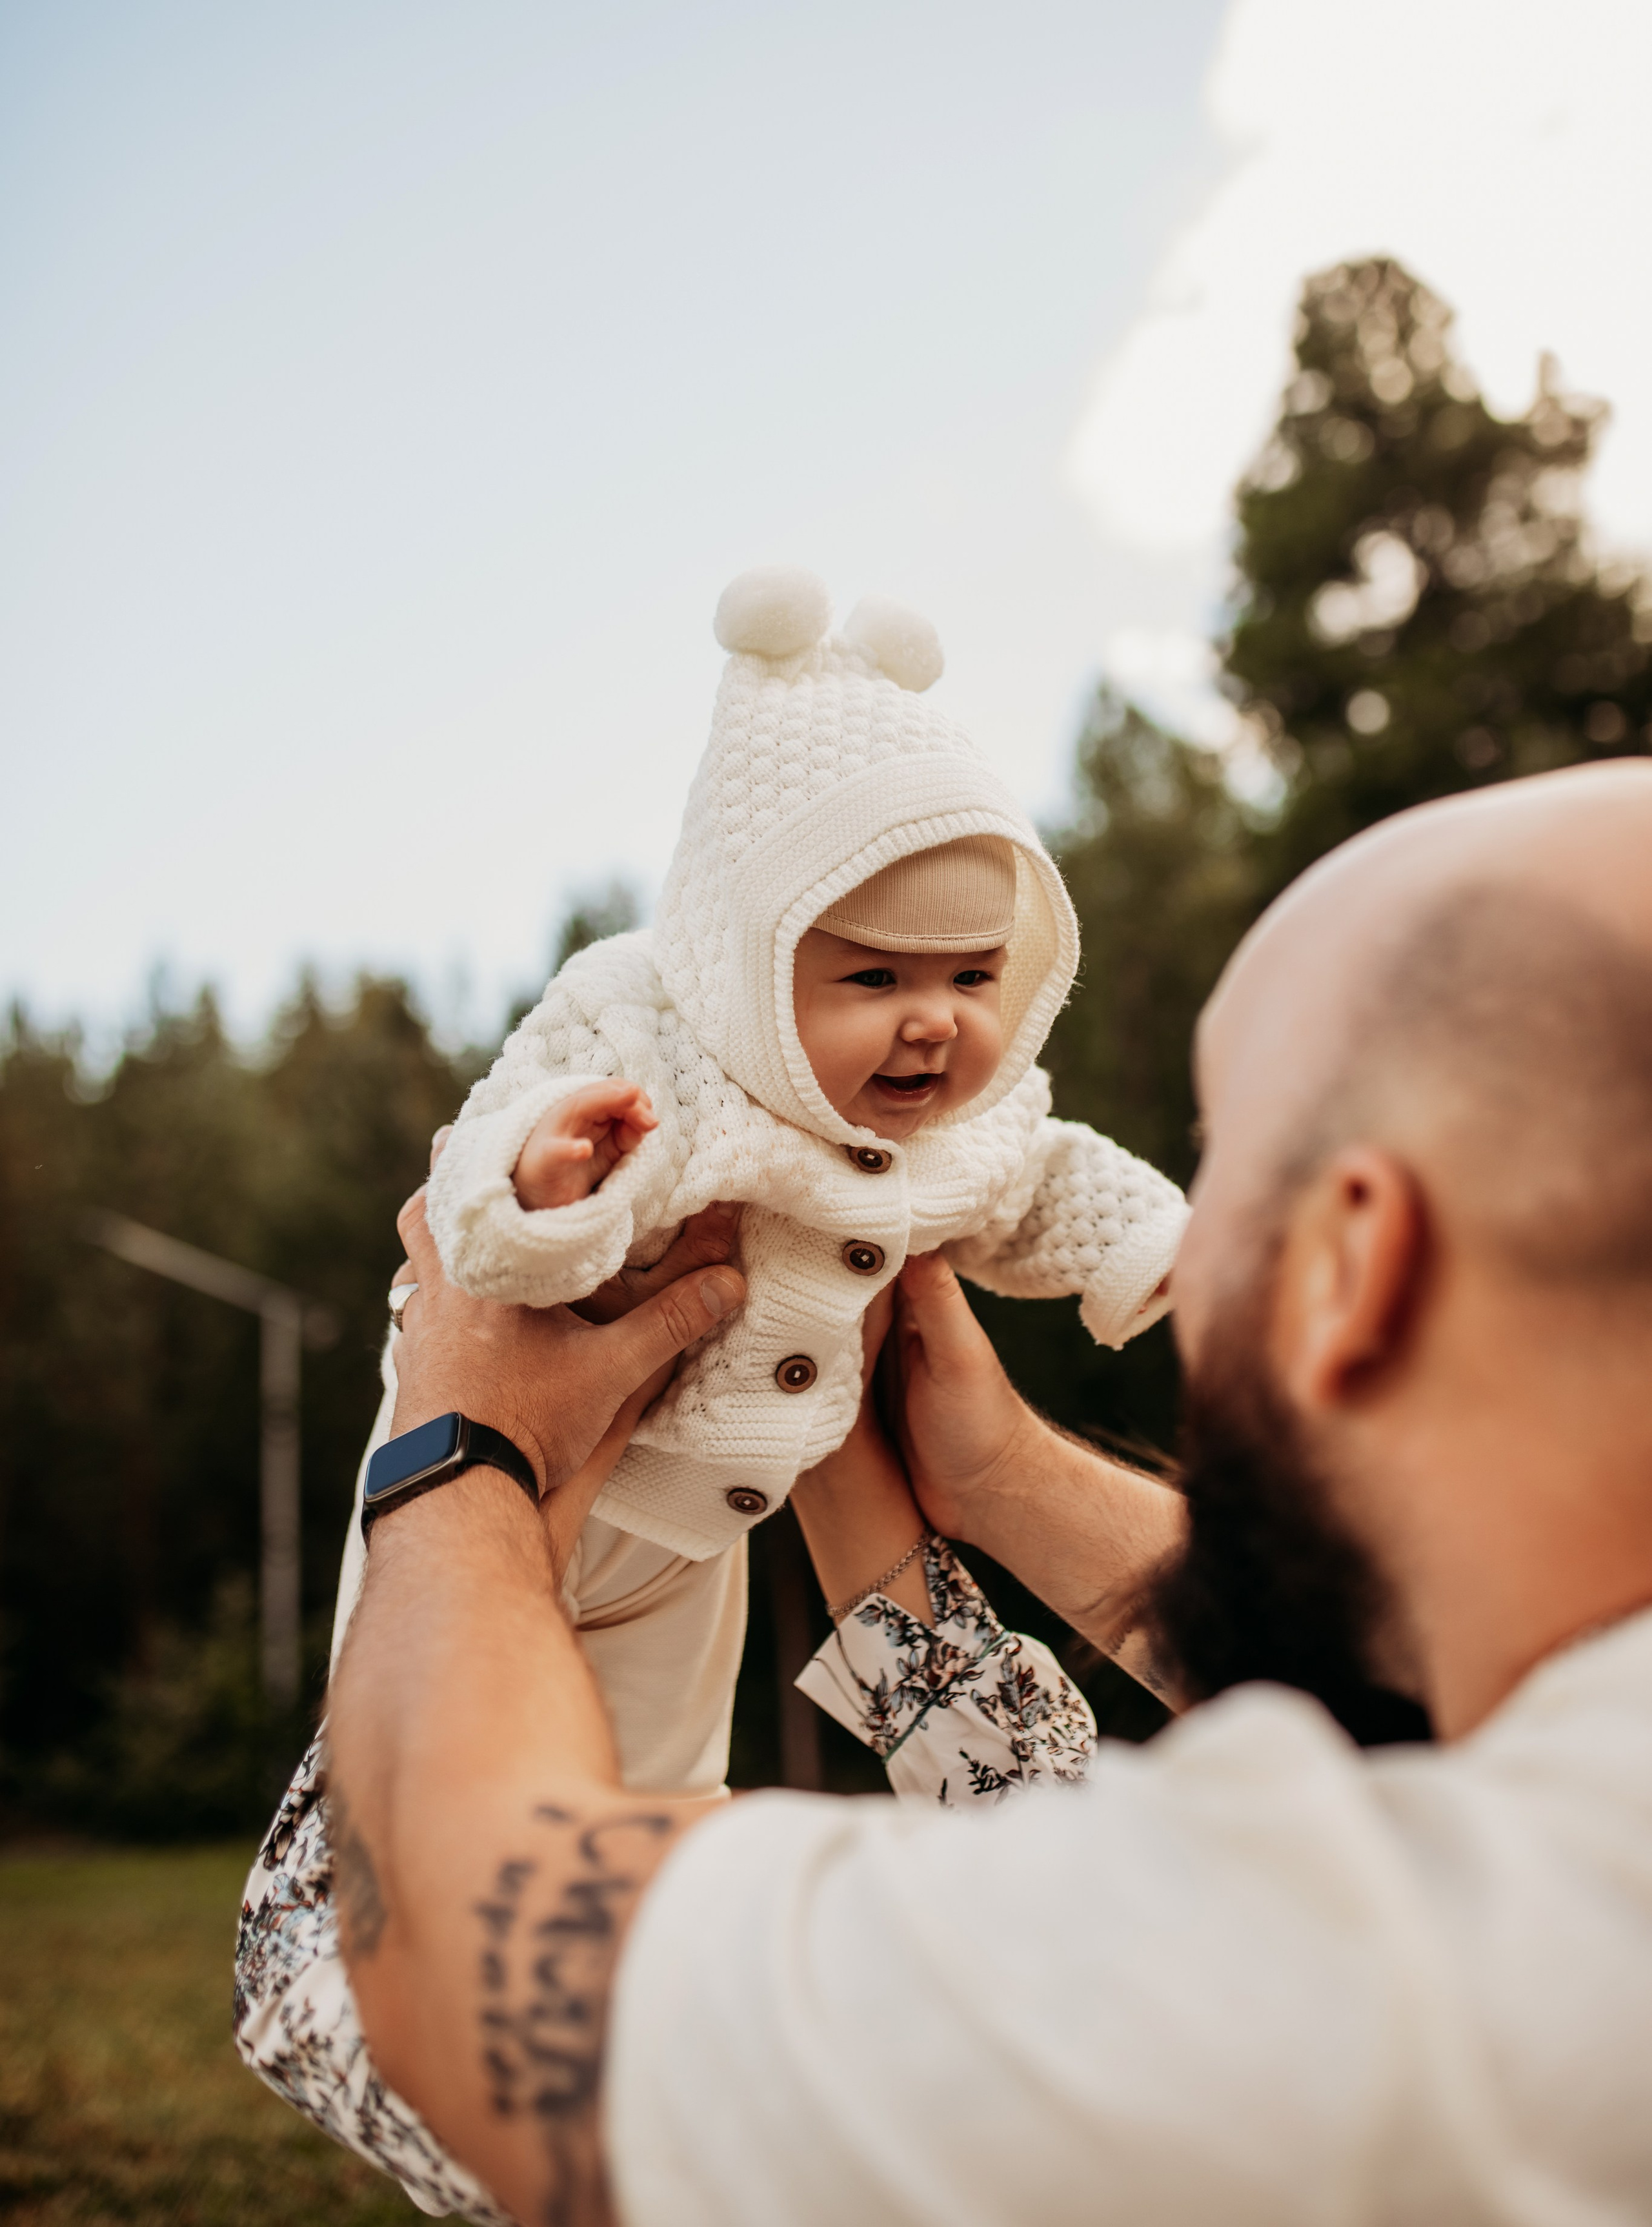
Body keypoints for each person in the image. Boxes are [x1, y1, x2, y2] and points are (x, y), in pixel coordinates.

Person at [247, 759, 1652, 2224]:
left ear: (1350, 1262)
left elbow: (411, 1970)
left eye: (1215, 1154)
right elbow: (1366, 1702)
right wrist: (991, 1483)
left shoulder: (1341, 1999)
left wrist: (463, 1452)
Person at [329, 567, 1184, 1798]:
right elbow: (479, 1177)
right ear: (747, 957)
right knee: (426, 1781)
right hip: (504, 1457)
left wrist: (1154, 1245)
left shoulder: (964, 1128)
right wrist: (543, 1181)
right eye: (876, 979)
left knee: (662, 1789)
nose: (937, 1025)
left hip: (693, 1521)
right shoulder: (647, 1031)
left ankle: (602, 1943)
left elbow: (1042, 1180)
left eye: (975, 978)